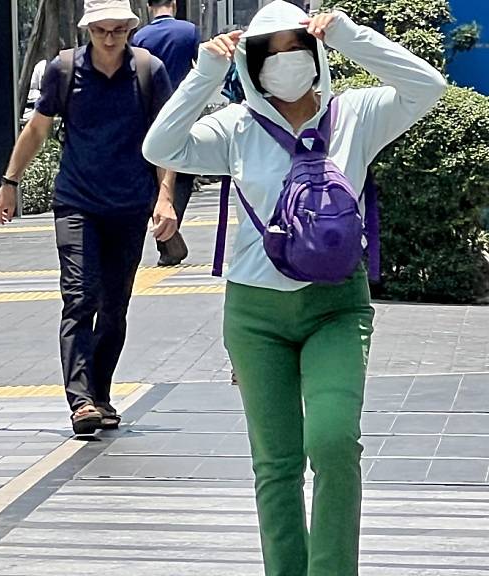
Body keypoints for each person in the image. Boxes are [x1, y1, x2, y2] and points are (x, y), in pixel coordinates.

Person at [143, 2, 445, 573]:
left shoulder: (356, 113)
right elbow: (161, 148)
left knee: (332, 444)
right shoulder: (234, 127)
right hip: (255, 315)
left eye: (295, 50)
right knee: (276, 463)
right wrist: (206, 71)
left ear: (315, 56)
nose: (284, 63)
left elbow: (426, 85)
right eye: (270, 54)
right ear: (254, 68)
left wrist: (351, 37)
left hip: (336, 306)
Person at [0, 0, 176, 435]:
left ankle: (100, 394)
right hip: (77, 203)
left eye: (117, 30)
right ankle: (80, 402)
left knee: (114, 307)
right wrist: (9, 181)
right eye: (100, 31)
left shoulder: (149, 70)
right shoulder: (63, 70)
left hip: (131, 204)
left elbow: (167, 138)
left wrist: (165, 196)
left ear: (131, 28)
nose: (109, 40)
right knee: (79, 297)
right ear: (87, 30)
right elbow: (37, 128)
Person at [132, 0, 200, 266]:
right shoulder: (189, 31)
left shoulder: (140, 37)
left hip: (150, 115)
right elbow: (201, 66)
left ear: (149, 6)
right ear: (173, 3)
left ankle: (167, 235)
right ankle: (170, 233)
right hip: (183, 113)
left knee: (153, 174)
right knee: (181, 176)